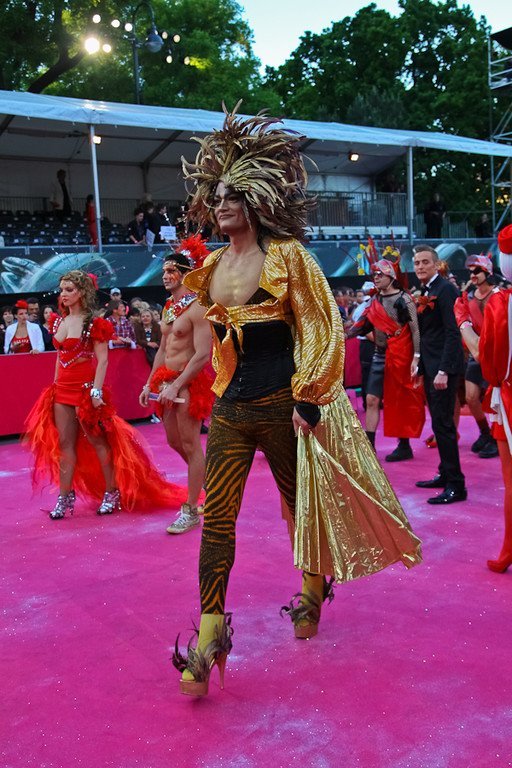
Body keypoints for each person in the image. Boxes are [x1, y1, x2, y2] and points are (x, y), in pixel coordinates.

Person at [171, 105, 421, 697]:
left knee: (298, 507)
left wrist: (308, 399)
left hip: (285, 406)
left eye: (235, 196)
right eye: (219, 196)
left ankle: (312, 589)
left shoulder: (288, 257)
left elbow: (321, 327)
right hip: (232, 410)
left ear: (256, 201)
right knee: (218, 519)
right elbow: (213, 339)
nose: (224, 205)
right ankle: (210, 634)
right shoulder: (211, 266)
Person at [23, 270, 186, 519]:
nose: (63, 294)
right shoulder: (58, 321)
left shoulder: (94, 323)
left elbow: (103, 361)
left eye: (69, 290)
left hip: (85, 390)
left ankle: (111, 492)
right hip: (62, 390)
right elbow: (59, 356)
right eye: (62, 290)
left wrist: (95, 391)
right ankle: (65, 496)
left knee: (98, 442)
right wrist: (55, 385)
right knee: (65, 445)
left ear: (82, 292)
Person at [139, 241, 214, 535]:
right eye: (164, 271)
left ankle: (191, 509)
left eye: (171, 271)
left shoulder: (199, 307)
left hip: (188, 383)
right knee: (174, 442)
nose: (165, 276)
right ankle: (208, 482)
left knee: (191, 444)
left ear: (185, 274)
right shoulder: (169, 307)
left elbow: (202, 354)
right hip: (166, 382)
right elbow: (162, 350)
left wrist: (177, 385)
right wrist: (150, 383)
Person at [455, 225, 512, 572]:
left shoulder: (502, 303)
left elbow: (490, 363)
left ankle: (509, 549)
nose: (473, 274)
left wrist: (462, 322)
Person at [347, 259, 425, 461]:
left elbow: (415, 330)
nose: (376, 278)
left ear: (391, 276)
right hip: (379, 355)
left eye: (380, 274)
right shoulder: (375, 301)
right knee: (371, 399)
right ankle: (369, 448)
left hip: (401, 355)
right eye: (374, 274)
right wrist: (340, 336)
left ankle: (404, 445)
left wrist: (416, 357)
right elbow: (361, 326)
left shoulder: (404, 299)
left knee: (399, 400)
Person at [413, 245, 466, 503]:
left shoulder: (445, 290)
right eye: (417, 263)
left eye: (425, 262)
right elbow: (428, 335)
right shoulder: (427, 290)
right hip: (432, 367)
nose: (420, 266)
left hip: (443, 369)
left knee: (444, 426)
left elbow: (453, 332)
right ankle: (446, 474)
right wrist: (420, 365)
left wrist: (444, 370)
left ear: (436, 265)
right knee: (438, 424)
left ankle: (456, 485)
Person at [462, 255, 499, 459]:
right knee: (471, 397)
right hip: (476, 354)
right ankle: (485, 432)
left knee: (495, 399)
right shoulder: (469, 297)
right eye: (470, 272)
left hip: (497, 354)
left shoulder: (499, 295)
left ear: (487, 272)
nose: (472, 275)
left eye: (476, 271)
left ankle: (496, 437)